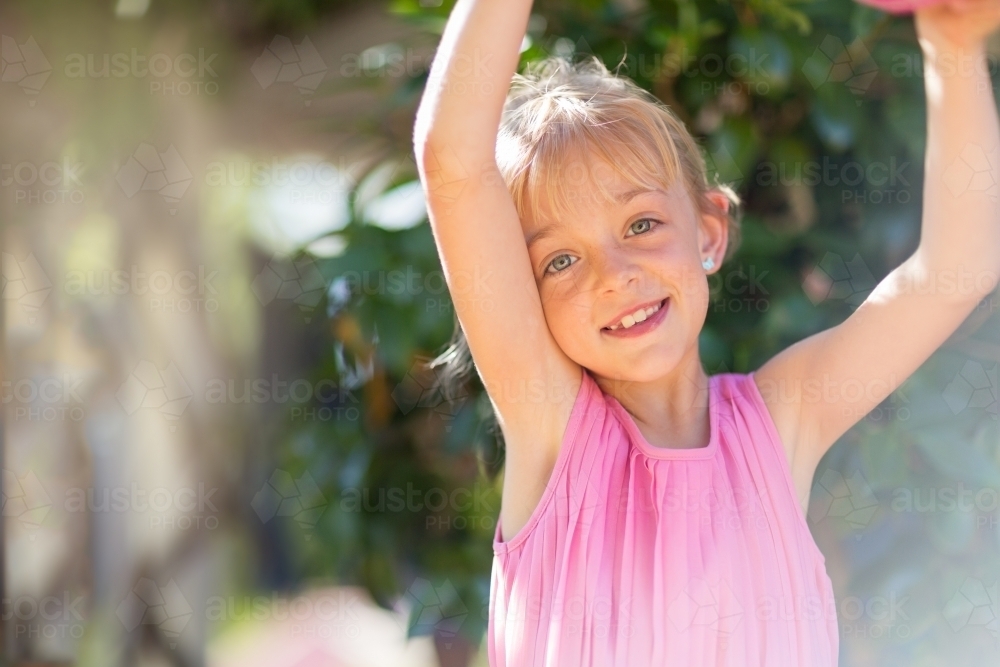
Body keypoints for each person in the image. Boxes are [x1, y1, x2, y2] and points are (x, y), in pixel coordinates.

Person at [412, 0, 1000, 664]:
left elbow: (955, 271)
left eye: (640, 225)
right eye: (562, 260)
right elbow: (452, 159)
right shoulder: (553, 432)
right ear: (528, 299)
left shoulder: (780, 422)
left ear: (709, 233)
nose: (616, 274)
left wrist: (951, 42)